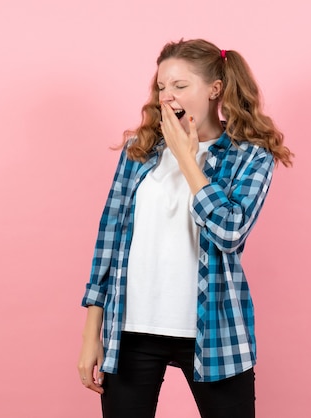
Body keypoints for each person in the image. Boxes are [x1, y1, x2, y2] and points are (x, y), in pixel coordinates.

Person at [78, 38, 293, 418]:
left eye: (180, 86)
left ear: (215, 89)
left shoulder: (250, 156)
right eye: (162, 87)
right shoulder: (140, 151)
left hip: (213, 331)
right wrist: (90, 335)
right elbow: (108, 240)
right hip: (131, 329)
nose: (167, 96)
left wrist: (187, 159)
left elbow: (230, 233)